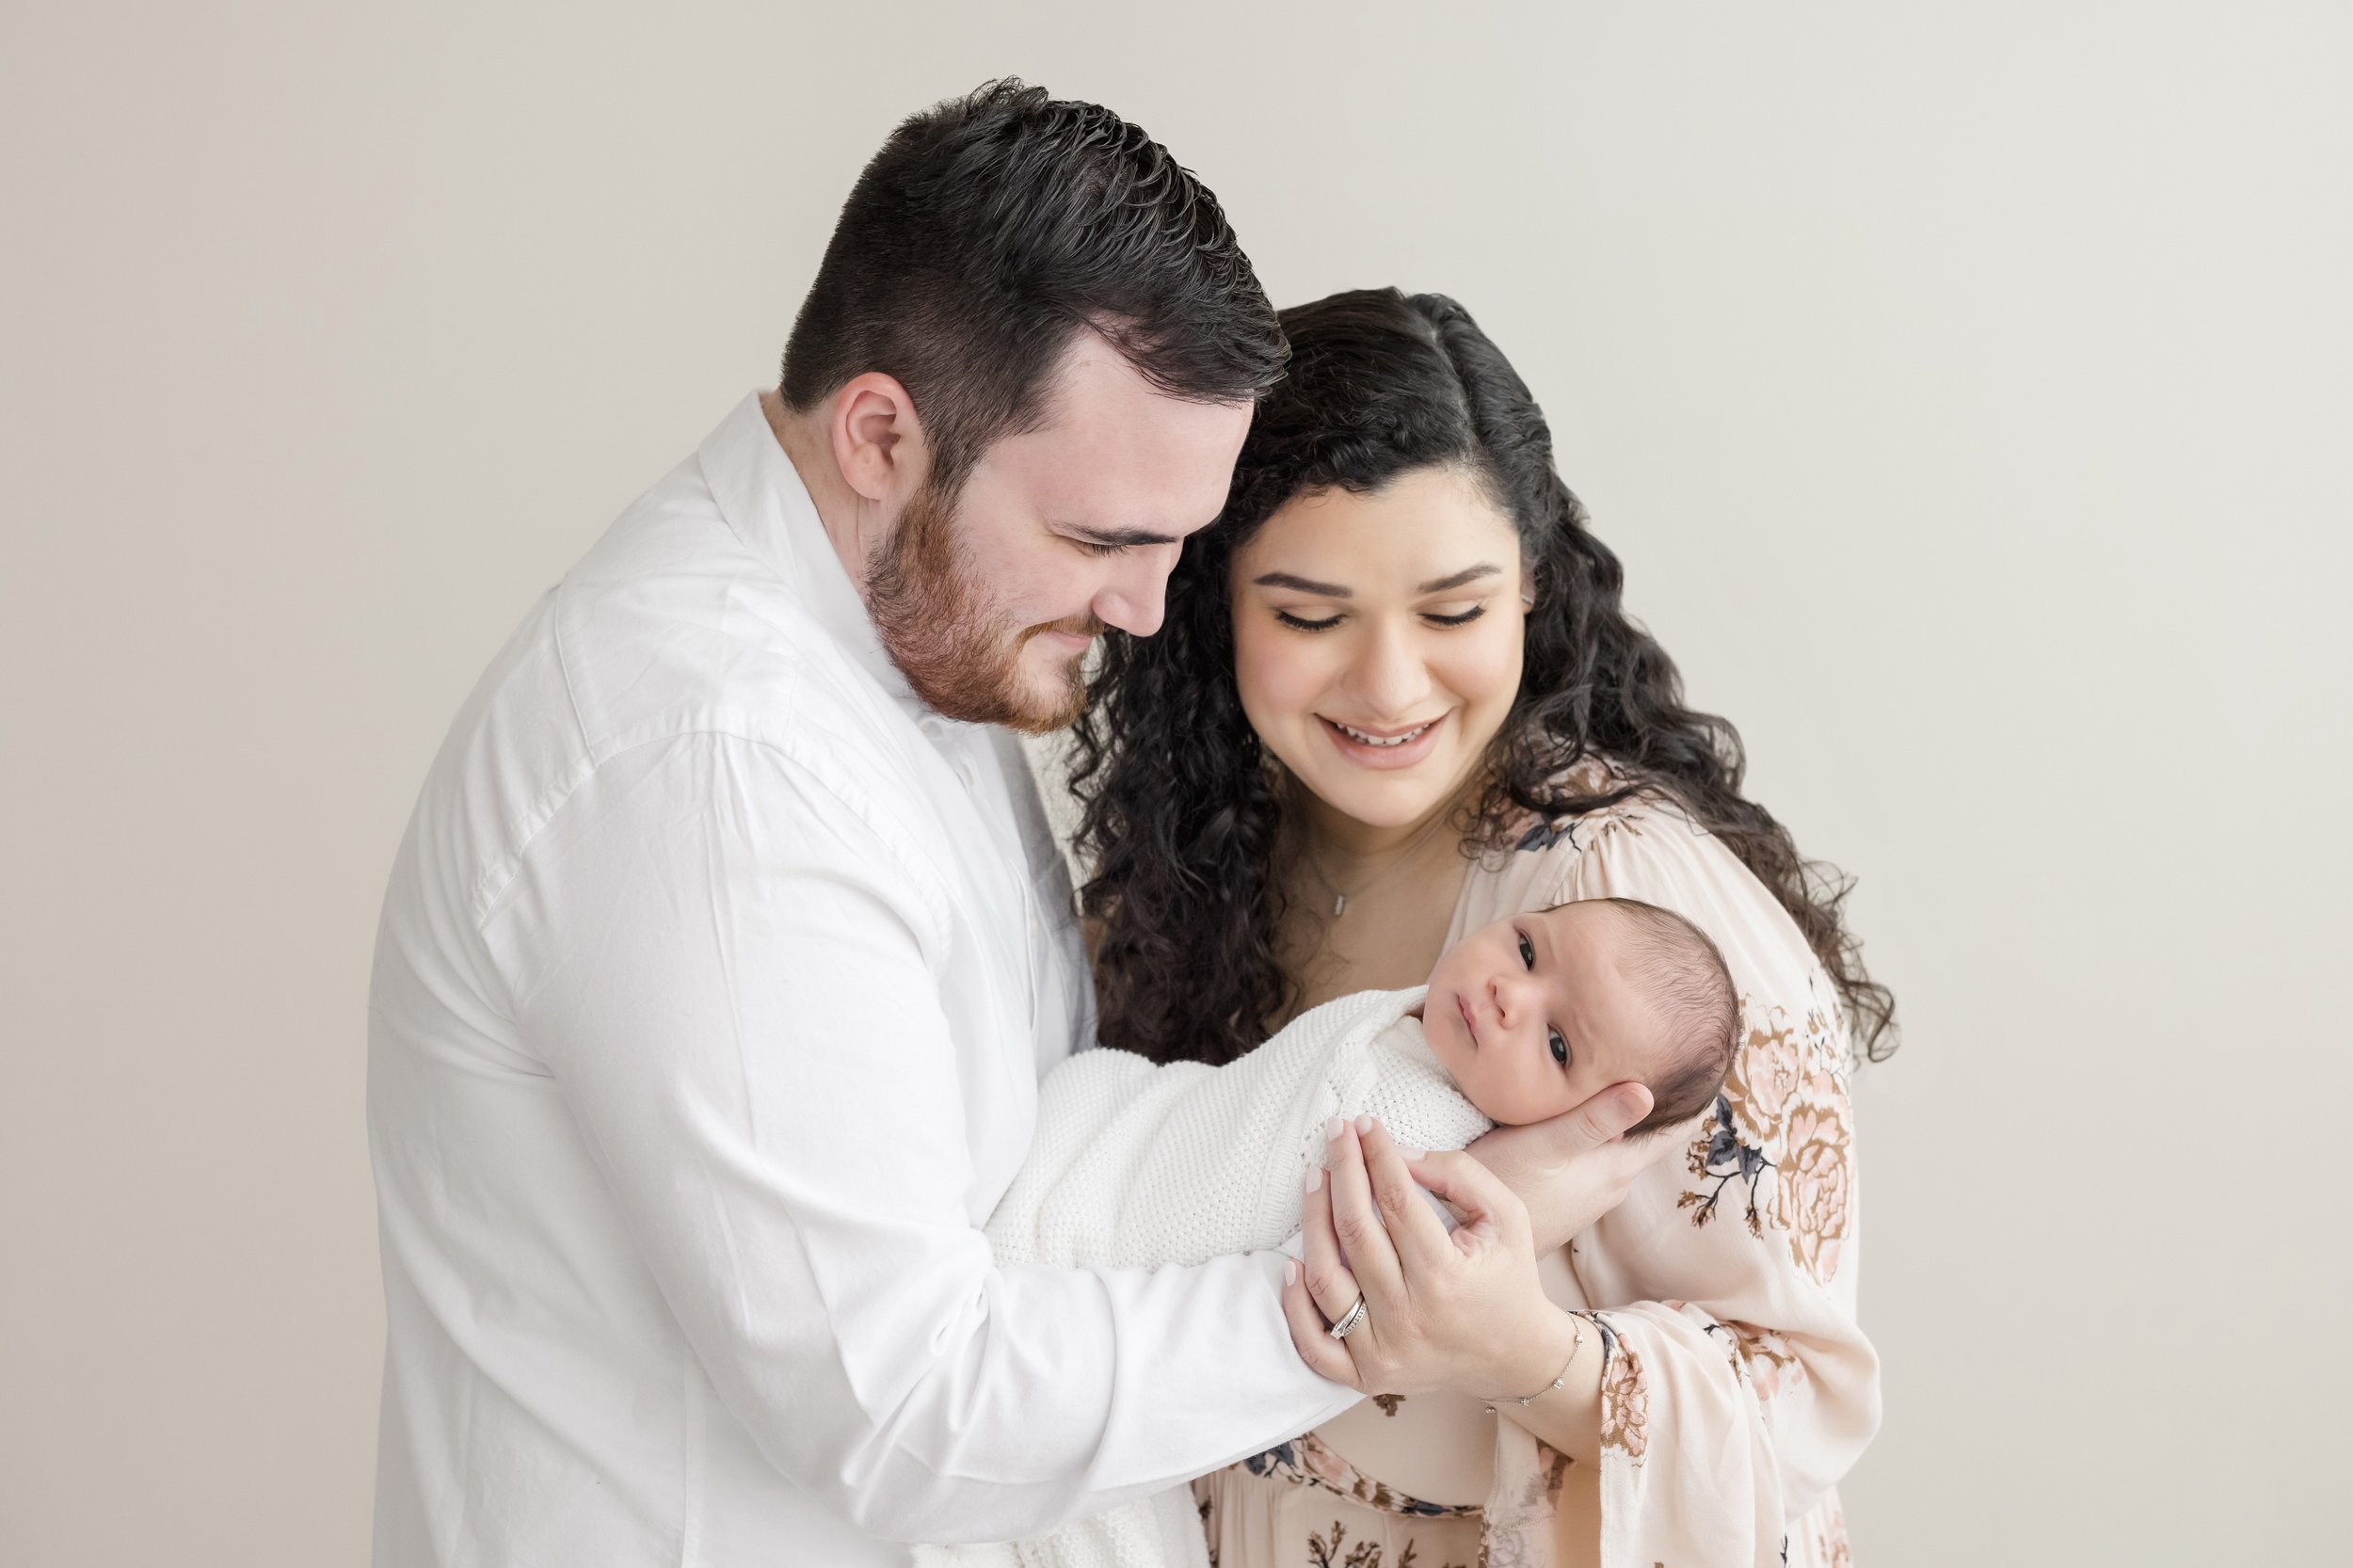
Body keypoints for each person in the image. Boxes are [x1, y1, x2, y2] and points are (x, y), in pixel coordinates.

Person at [365, 85, 1655, 1567]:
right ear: (880, 436)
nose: (1148, 608)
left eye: (1178, 543)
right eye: (1103, 537)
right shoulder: (713, 763)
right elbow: (908, 1409)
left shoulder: (900, 640)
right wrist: (1394, 1284)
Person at [1073, 287, 1892, 1567]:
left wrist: (1524, 1346)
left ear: (1530, 592)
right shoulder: (1181, 879)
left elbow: (1802, 1407)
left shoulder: (1633, 916)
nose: (1390, 683)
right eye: (1308, 614)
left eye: (1453, 612)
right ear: (1211, 603)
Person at [932, 897, 1734, 1567]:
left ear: (1583, 1126)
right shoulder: (1413, 1024)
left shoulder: (1432, 1158)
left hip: (1099, 1268)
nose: (1508, 995)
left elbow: (1339, 1284)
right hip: (1104, 1144)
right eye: (1526, 948)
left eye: (1557, 1043)